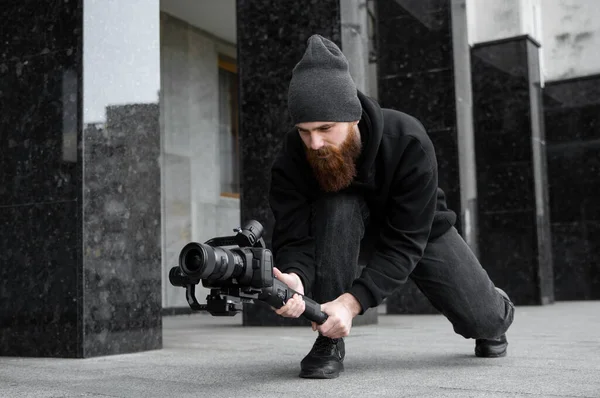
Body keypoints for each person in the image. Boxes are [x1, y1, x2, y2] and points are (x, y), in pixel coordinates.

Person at [268, 34, 515, 379]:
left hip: (419, 231)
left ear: (352, 117)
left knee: (486, 322)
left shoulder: (408, 140)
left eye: (326, 128)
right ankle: (328, 337)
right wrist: (295, 277)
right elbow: (294, 235)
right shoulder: (293, 156)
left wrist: (352, 302)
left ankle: (493, 303)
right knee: (338, 204)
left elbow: (405, 242)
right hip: (342, 230)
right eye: (305, 131)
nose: (315, 142)